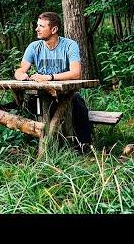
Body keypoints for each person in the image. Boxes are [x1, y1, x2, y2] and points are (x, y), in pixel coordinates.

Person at [13, 11, 92, 150]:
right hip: (42, 94)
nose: (37, 29)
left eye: (41, 26)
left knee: (78, 104)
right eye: (37, 25)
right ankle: (41, 145)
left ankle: (83, 146)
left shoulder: (69, 45)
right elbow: (20, 70)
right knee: (29, 107)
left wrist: (49, 77)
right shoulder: (34, 47)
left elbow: (76, 73)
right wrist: (21, 75)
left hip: (66, 93)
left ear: (54, 29)